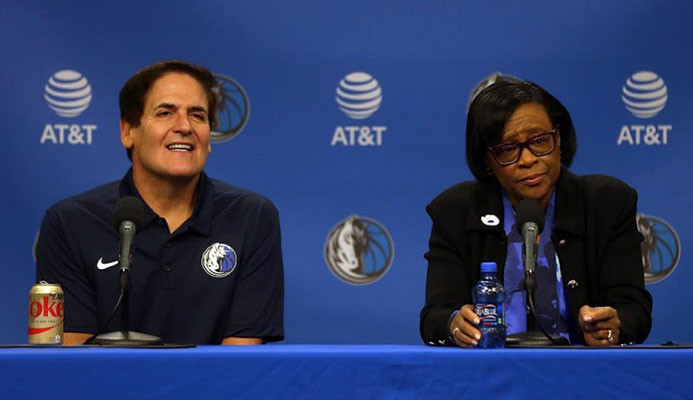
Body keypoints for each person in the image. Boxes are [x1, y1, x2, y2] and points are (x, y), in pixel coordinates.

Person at [36, 60, 284, 345]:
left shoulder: (251, 217)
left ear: (209, 136)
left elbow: (240, 365)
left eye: (198, 115)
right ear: (128, 131)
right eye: (165, 113)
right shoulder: (71, 223)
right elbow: (71, 364)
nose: (184, 126)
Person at [420, 79, 652, 347]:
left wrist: (613, 324)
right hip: (488, 374)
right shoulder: (456, 211)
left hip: (582, 372)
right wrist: (454, 323)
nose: (528, 159)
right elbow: (434, 316)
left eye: (540, 141)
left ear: (560, 139)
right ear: (487, 160)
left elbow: (634, 310)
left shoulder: (606, 203)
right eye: (508, 149)